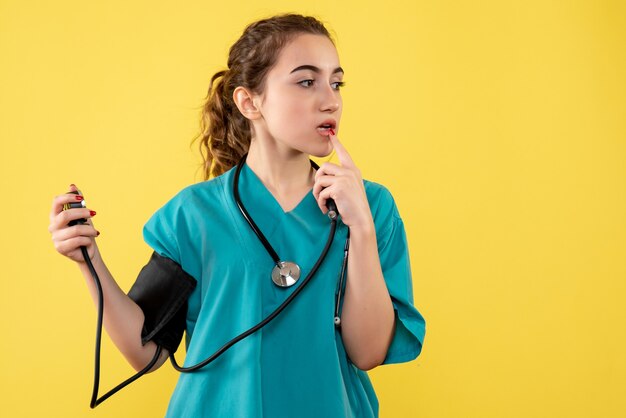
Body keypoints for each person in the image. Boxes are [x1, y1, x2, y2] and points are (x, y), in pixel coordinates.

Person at [48, 14, 426, 418]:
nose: (330, 99)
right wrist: (90, 262)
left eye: (336, 83)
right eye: (306, 81)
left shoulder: (372, 207)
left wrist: (362, 227)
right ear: (250, 102)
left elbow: (368, 352)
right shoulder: (193, 214)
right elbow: (148, 352)